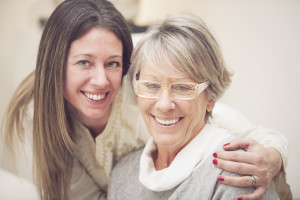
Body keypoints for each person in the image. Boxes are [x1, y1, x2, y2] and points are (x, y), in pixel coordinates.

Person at [0, 0, 291, 200]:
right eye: (84, 63)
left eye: (113, 63)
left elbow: (227, 127)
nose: (101, 80)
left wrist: (271, 156)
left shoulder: (140, 92)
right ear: (55, 65)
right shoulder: (36, 115)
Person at [107, 14, 281, 200]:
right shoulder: (122, 174)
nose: (164, 105)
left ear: (211, 97)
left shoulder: (238, 171)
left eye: (182, 88)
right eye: (151, 85)